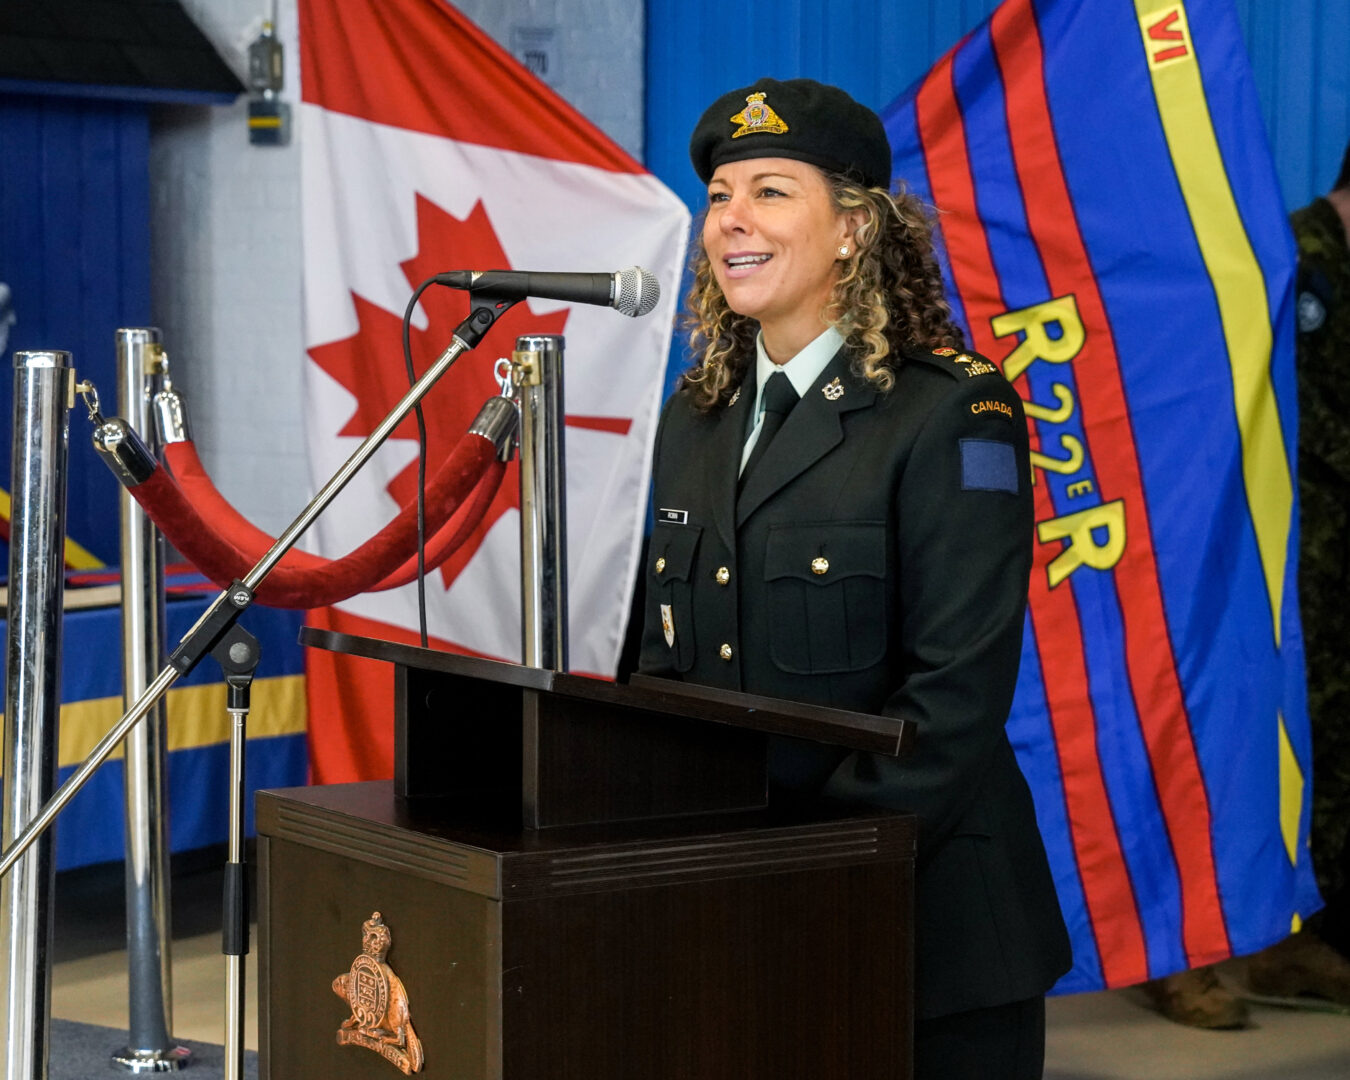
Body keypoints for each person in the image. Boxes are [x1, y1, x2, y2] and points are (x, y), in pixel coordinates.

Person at [637, 78, 1071, 1079]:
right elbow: (661, 665)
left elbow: (952, 700)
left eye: (771, 191)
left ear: (853, 228)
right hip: (740, 916)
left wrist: (804, 867)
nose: (730, 220)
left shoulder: (951, 413)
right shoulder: (695, 419)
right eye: (718, 196)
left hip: (925, 937)